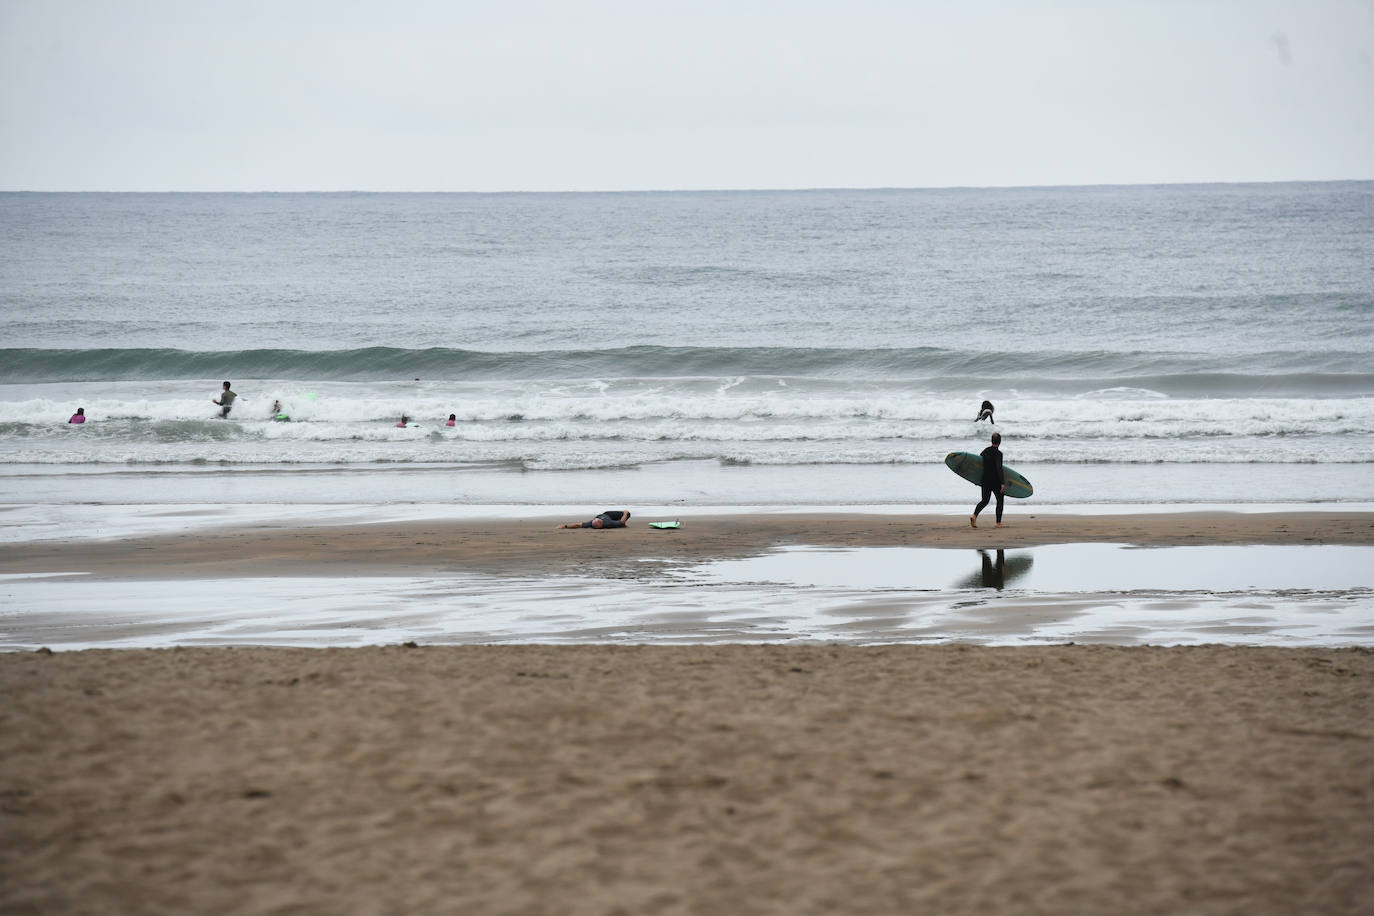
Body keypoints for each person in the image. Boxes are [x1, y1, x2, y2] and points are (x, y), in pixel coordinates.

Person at [971, 432, 1006, 528]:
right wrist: (1002, 483)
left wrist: (975, 478)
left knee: (985, 500)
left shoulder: (985, 451)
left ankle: (974, 516)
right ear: (1000, 442)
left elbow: (978, 463)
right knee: (1000, 500)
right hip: (995, 481)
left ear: (991, 441)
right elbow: (999, 468)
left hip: (985, 479)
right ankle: (998, 523)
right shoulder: (999, 454)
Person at [558, 510, 632, 529]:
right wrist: (625, 513)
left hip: (607, 514)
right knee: (627, 515)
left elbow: (577, 525)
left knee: (624, 517)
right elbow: (622, 522)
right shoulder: (608, 524)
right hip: (609, 518)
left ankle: (619, 521)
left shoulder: (590, 523)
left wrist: (565, 526)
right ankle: (619, 522)